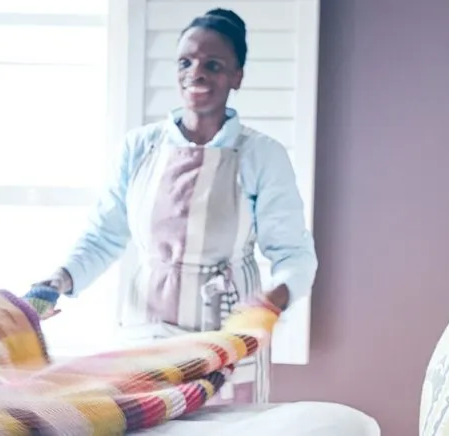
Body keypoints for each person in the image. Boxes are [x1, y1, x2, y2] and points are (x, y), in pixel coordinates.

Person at [31, 8, 315, 405]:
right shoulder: (140, 147)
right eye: (186, 62)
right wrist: (57, 282)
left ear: (237, 77)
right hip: (144, 329)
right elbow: (104, 235)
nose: (195, 73)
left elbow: (294, 255)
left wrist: (271, 302)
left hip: (226, 337)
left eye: (213, 65)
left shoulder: (262, 155)